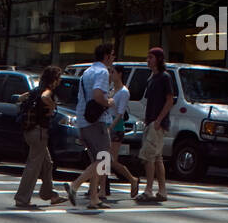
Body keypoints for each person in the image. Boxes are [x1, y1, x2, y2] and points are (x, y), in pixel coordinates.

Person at [63, 42, 115, 210]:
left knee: (96, 161)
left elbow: (82, 98)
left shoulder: (87, 72)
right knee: (103, 159)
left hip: (84, 120)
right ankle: (75, 185)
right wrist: (109, 102)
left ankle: (94, 198)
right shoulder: (103, 72)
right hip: (97, 121)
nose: (113, 58)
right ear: (106, 56)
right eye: (112, 55)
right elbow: (98, 95)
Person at [13, 66, 67, 210]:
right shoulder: (47, 91)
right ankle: (22, 198)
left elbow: (19, 98)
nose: (60, 81)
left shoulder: (35, 90)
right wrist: (52, 105)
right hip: (39, 132)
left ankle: (50, 194)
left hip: (29, 131)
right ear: (53, 80)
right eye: (59, 78)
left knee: (47, 163)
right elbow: (45, 97)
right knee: (33, 166)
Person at [136, 46, 173, 205]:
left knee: (148, 156)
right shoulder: (151, 78)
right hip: (151, 121)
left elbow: (170, 100)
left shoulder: (165, 77)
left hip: (157, 123)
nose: (148, 60)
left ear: (158, 59)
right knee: (157, 158)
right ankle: (162, 190)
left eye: (150, 57)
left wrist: (159, 120)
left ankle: (149, 189)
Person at [109, 62, 139, 200]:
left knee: (112, 160)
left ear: (119, 74)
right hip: (108, 123)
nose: (111, 74)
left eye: (113, 72)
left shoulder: (124, 92)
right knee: (103, 158)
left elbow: (120, 113)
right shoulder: (111, 89)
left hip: (116, 127)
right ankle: (102, 187)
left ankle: (132, 179)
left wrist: (110, 127)